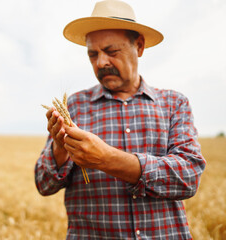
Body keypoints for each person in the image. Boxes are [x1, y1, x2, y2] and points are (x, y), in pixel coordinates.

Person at [34, 0, 206, 239]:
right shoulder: (74, 106)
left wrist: (107, 159)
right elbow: (43, 185)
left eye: (111, 51)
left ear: (140, 45)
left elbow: (188, 177)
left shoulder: (174, 103)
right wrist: (60, 148)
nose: (101, 62)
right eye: (93, 54)